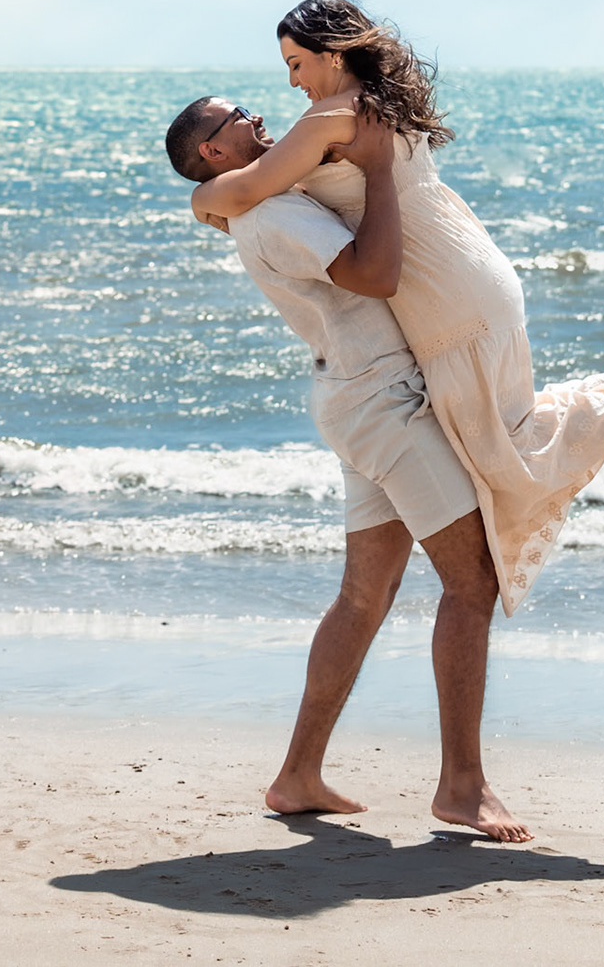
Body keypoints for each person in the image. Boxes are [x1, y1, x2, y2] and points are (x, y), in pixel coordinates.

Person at [191, 0, 604, 615]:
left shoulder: (328, 122)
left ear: (333, 54)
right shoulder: (373, 102)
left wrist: (197, 201)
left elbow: (247, 189)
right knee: (503, 435)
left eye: (297, 63)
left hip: (444, 289)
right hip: (464, 268)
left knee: (504, 452)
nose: (293, 81)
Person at [165, 95, 533, 843]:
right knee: (472, 583)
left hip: (359, 395)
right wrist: (376, 170)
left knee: (365, 595)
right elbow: (377, 276)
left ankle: (297, 775)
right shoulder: (273, 216)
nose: (255, 115)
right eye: (236, 115)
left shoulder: (261, 201)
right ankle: (462, 787)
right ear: (212, 150)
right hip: (383, 405)